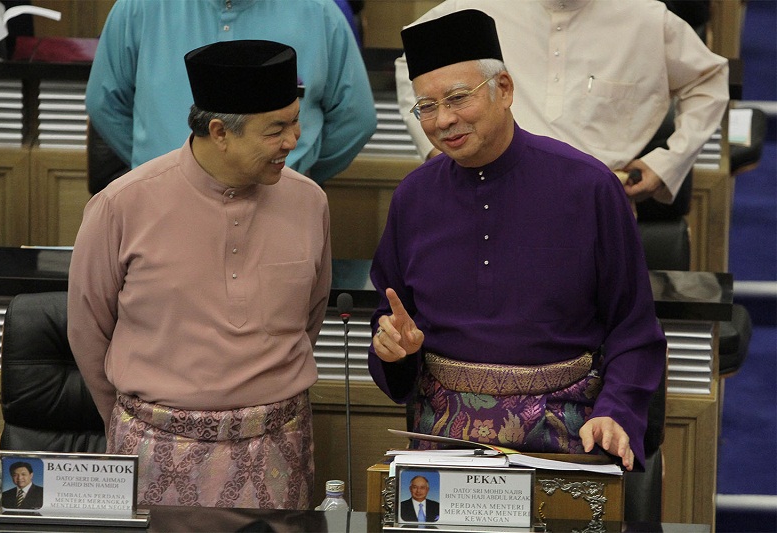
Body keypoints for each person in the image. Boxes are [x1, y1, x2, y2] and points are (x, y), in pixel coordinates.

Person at [369, 10, 667, 472]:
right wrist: (395, 351)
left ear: (503, 89)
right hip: (442, 439)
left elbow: (633, 329)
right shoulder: (414, 197)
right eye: (426, 107)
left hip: (567, 435)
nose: (443, 120)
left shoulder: (587, 187)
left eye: (457, 99)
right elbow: (391, 326)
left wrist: (616, 412)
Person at [68, 40, 332, 509]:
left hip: (275, 449)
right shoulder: (122, 205)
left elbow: (310, 316)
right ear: (220, 131)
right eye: (276, 129)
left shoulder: (309, 202)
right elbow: (87, 330)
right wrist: (141, 423)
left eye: (296, 120)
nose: (294, 140)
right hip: (156, 448)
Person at [394, 0, 728, 208]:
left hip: (594, 207)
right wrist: (437, 151)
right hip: (482, 196)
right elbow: (411, 62)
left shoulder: (646, 17)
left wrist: (667, 164)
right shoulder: (473, 9)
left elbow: (709, 79)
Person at [86, 0, 377, 188]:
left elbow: (356, 119)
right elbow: (104, 103)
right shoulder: (138, 7)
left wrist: (292, 173)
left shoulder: (320, 12)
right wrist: (162, 172)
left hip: (278, 211)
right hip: (159, 207)